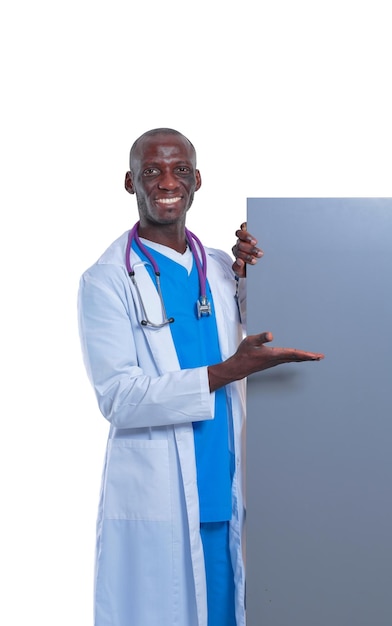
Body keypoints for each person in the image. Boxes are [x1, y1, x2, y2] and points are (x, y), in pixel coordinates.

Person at [77, 128, 324, 626]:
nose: (167, 181)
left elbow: (263, 332)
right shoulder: (105, 281)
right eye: (152, 171)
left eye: (180, 170)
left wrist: (260, 274)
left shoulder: (218, 268)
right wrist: (225, 372)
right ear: (131, 182)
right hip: (162, 503)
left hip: (227, 494)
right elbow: (119, 398)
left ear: (197, 181)